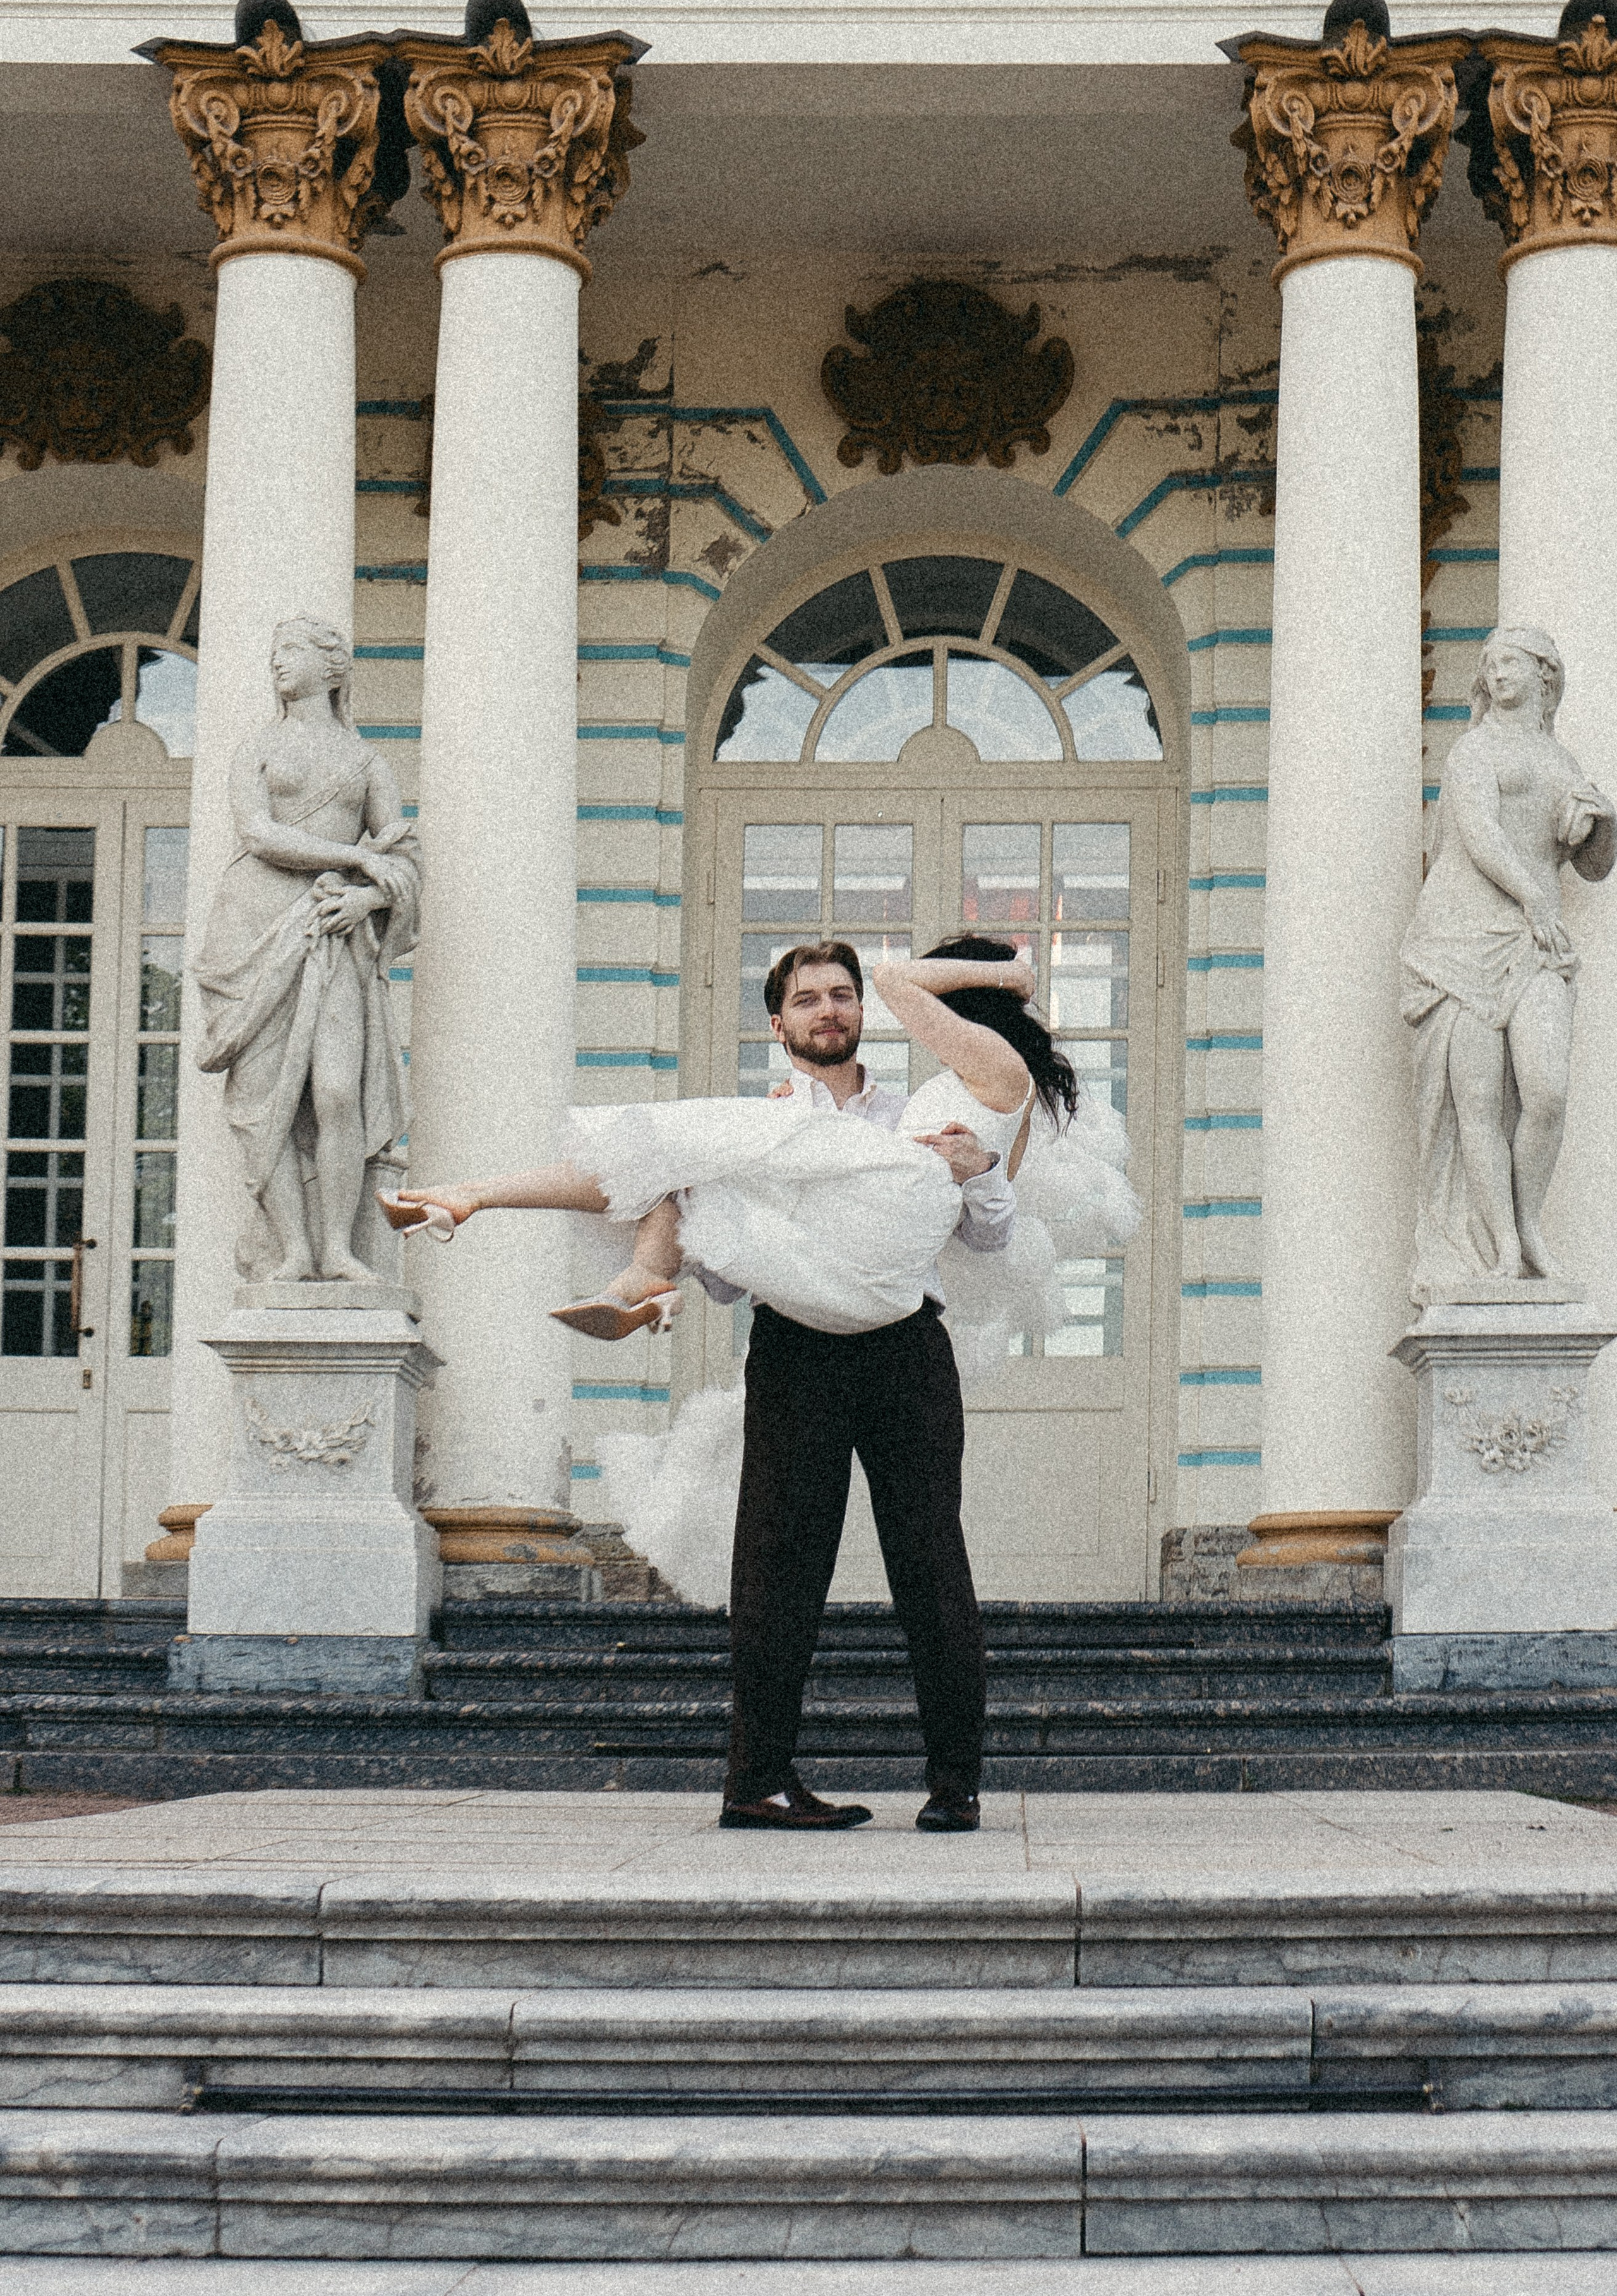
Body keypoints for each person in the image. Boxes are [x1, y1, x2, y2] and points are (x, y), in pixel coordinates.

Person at [383, 936, 1135, 1834]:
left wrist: (977, 1175)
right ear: (779, 1026)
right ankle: (759, 1781)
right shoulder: (767, 1118)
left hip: (904, 1348)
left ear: (864, 1012)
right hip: (796, 1346)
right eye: (808, 1000)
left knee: (931, 1561)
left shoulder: (921, 1106)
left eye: (842, 995)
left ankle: (955, 1783)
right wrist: (727, 1237)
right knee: (778, 1566)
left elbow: (986, 1242)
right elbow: (737, 1273)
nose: (829, 1010)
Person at [196, 616, 420, 1283]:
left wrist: (366, 901)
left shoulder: (367, 763)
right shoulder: (256, 750)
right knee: (266, 1102)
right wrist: (355, 858)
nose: (277, 663)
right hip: (253, 929)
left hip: (332, 932)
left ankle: (339, 1249)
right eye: (274, 653)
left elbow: (406, 861)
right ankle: (295, 1250)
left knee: (338, 1093)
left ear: (333, 668)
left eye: (290, 651)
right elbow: (258, 834)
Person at [1402, 626, 1614, 1285]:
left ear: (1543, 675)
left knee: (1546, 1091)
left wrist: (1603, 826)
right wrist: (1533, 899)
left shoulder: (1561, 761)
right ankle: (1502, 1247)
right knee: (1478, 1102)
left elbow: (1593, 867)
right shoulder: (1474, 749)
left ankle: (1529, 1228)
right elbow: (1479, 833)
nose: (1497, 673)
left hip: (1534, 940)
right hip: (1462, 936)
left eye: (1511, 663)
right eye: (1490, 664)